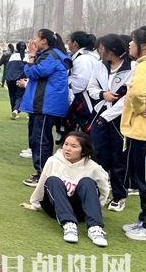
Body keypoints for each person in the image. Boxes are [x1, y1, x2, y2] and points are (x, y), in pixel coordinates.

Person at [20, 132, 110, 247]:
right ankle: (69, 225)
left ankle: (95, 228)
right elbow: (42, 182)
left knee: (87, 182)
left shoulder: (93, 167)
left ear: (83, 151)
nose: (67, 149)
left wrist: (95, 209)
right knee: (53, 180)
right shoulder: (53, 160)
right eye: (66, 144)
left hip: (80, 210)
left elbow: (104, 190)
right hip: (55, 208)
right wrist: (35, 204)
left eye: (74, 146)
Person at [87, 34, 134, 213]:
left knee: (118, 157)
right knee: (98, 153)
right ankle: (101, 190)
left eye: (101, 48)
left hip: (119, 117)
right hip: (100, 114)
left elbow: (127, 98)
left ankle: (119, 195)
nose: (99, 51)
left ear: (111, 50)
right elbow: (91, 88)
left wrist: (107, 115)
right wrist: (102, 94)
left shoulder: (132, 67)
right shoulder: (100, 65)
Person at [20, 29, 72, 187]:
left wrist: (31, 55)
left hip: (46, 105)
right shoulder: (50, 55)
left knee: (41, 139)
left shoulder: (51, 56)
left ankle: (43, 174)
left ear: (44, 41)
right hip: (44, 104)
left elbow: (33, 72)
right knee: (39, 138)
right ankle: (41, 171)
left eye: (36, 38)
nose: (33, 41)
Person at [120, 26, 146, 241]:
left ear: (143, 46)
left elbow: (137, 93)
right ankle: (143, 219)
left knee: (143, 180)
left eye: (132, 40)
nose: (129, 44)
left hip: (142, 132)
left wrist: (141, 108)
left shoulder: (143, 66)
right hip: (140, 132)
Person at [62, 31, 99, 137]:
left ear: (75, 43)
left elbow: (80, 84)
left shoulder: (83, 59)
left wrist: (67, 81)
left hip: (86, 100)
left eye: (69, 40)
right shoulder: (86, 57)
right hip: (85, 99)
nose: (68, 43)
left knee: (85, 132)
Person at [5, 42, 28, 120]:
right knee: (20, 96)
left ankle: (13, 111)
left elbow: (8, 68)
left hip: (10, 78)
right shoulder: (27, 57)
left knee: (12, 96)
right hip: (21, 79)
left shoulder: (13, 56)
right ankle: (16, 110)